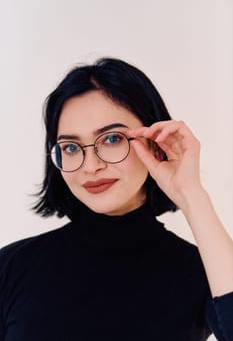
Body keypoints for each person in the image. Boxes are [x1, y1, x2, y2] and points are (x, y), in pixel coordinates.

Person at [0, 58, 232, 341]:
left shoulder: (201, 270)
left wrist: (192, 195)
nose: (90, 166)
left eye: (111, 139)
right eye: (71, 147)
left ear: (154, 140)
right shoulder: (12, 266)